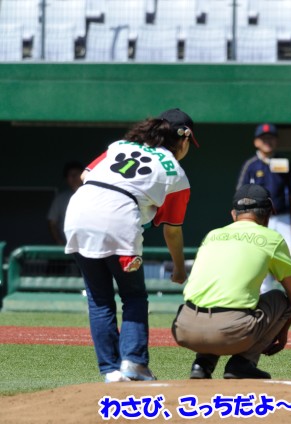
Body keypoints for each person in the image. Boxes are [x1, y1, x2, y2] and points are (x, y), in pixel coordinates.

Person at [64, 108, 198, 383]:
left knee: (99, 299)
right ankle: (134, 363)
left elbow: (85, 175)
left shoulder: (120, 146)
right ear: (184, 140)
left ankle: (110, 371)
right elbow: (172, 231)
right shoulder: (176, 172)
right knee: (133, 296)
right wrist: (178, 268)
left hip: (78, 212)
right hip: (119, 219)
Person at [171, 184, 291, 380]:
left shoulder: (212, 235)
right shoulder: (272, 238)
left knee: (216, 298)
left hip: (184, 328)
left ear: (234, 214)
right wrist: (283, 331)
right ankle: (242, 364)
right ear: (268, 215)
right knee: (279, 299)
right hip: (232, 332)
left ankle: (202, 364)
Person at [236, 123, 291, 317]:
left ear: (277, 141)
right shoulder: (251, 165)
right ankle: (262, 301)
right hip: (257, 218)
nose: (268, 141)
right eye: (264, 138)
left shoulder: (284, 163)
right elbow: (241, 193)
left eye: (271, 138)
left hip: (283, 218)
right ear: (256, 142)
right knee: (260, 258)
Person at [47, 161, 84, 245]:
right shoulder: (60, 199)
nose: (74, 177)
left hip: (89, 246)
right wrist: (59, 242)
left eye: (76, 174)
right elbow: (52, 223)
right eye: (70, 175)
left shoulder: (92, 195)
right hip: (67, 246)